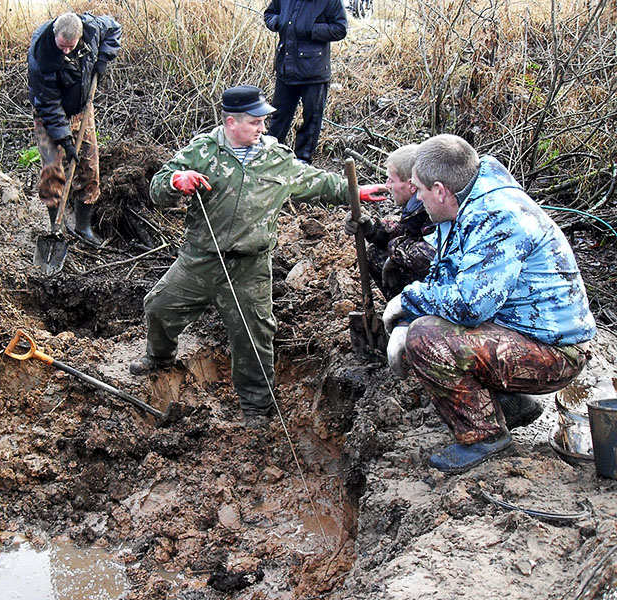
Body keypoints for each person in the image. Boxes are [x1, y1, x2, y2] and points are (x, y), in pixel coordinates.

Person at [130, 85, 349, 430]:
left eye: (264, 121)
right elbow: (158, 187)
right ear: (231, 122)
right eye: (255, 122)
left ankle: (256, 408)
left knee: (254, 336)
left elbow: (317, 182)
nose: (263, 128)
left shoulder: (276, 158)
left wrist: (355, 191)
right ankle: (160, 359)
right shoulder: (203, 151)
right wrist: (176, 180)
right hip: (200, 259)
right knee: (159, 306)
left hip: (250, 266)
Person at [383, 134, 596, 473]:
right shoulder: (465, 204)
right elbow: (447, 274)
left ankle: (485, 436)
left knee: (427, 337)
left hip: (558, 353)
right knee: (427, 327)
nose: (418, 199)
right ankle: (510, 404)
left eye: (420, 190)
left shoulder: (497, 219)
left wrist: (408, 303)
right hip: (522, 332)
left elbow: (470, 306)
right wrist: (413, 306)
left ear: (440, 190)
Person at [28, 11, 122, 246]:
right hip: (48, 115)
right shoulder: (42, 55)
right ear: (54, 35)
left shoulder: (92, 28)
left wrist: (102, 59)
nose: (66, 52)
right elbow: (48, 104)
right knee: (52, 171)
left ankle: (83, 227)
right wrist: (65, 140)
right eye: (62, 46)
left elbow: (114, 29)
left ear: (80, 37)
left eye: (71, 47)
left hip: (82, 109)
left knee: (89, 167)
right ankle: (55, 227)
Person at [344, 144, 436, 300]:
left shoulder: (433, 206)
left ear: (411, 185)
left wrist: (395, 255)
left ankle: (416, 315)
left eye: (391, 180)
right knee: (375, 253)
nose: (387, 185)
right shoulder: (416, 206)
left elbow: (432, 256)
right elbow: (406, 231)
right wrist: (373, 229)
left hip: (444, 283)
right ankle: (402, 310)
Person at [263, 0, 347, 163]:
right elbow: (269, 14)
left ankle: (302, 161)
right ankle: (269, 156)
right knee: (279, 116)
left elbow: (340, 29)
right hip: (286, 68)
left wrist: (311, 29)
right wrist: (278, 22)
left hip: (313, 72)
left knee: (312, 119)